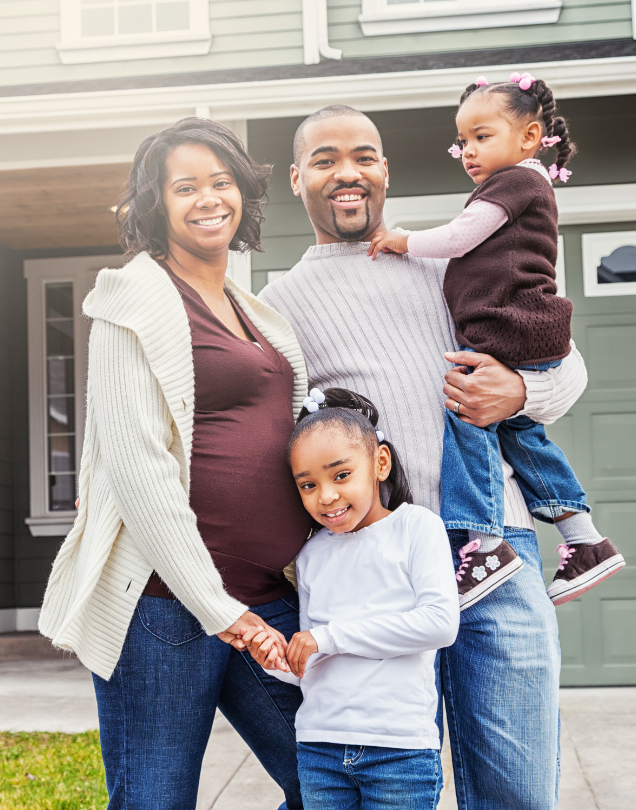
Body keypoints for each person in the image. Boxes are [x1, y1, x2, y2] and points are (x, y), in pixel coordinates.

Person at [258, 102, 589, 809]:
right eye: (324, 160)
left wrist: (518, 391)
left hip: (493, 548)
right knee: (387, 787)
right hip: (373, 570)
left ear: (385, 170)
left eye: (363, 156)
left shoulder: (452, 258)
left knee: (517, 789)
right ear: (296, 179)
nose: (347, 173)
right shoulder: (277, 305)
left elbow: (569, 375)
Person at [39, 118, 313, 810]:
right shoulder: (132, 300)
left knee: (336, 784)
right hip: (165, 608)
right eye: (185, 186)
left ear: (244, 196)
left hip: (266, 599)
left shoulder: (253, 310)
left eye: (221, 183)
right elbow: (140, 473)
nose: (207, 199)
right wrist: (219, 609)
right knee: (155, 801)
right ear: (155, 204)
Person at [368, 73, 624, 608]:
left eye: (482, 136)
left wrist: (402, 241)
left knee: (468, 417)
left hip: (512, 328)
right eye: (462, 140)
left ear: (529, 137)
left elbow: (460, 237)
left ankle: (486, 543)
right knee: (522, 436)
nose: (467, 150)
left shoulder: (516, 182)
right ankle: (585, 540)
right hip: (524, 330)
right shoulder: (523, 184)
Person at [246, 387, 460, 810]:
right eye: (308, 485)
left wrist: (328, 638)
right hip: (319, 749)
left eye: (340, 475)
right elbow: (314, 662)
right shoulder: (310, 555)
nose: (325, 496)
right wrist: (279, 661)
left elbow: (440, 623)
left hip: (398, 751)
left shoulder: (417, 528)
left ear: (380, 463)